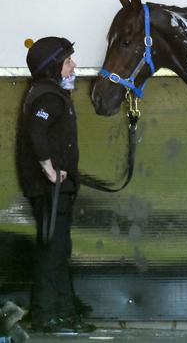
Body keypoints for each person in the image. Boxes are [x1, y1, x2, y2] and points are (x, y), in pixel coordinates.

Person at [18, 37, 94, 333]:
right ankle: (47, 315)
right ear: (53, 68)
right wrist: (49, 169)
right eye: (67, 62)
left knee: (59, 249)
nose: (73, 66)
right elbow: (37, 132)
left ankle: (62, 313)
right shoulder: (48, 97)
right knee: (54, 251)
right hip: (50, 190)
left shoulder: (48, 93)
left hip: (57, 190)